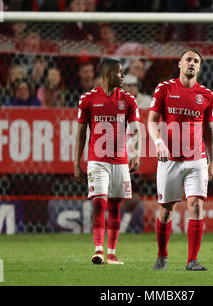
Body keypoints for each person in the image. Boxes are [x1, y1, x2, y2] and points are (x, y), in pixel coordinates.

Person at [147, 49, 213, 271]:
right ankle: (162, 256)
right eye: (188, 60)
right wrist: (158, 143)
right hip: (170, 159)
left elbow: (209, 129)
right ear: (179, 64)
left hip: (197, 159)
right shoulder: (165, 88)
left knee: (196, 206)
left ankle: (192, 260)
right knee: (167, 210)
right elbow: (151, 121)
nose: (192, 64)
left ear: (200, 67)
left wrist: (212, 160)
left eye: (196, 61)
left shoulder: (207, 95)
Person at [74, 58, 141, 265]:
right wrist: (77, 162)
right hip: (97, 161)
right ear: (106, 75)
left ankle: (112, 253)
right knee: (99, 203)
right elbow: (81, 133)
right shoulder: (88, 99)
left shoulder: (128, 100)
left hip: (120, 162)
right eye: (119, 73)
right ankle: (98, 250)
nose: (122, 76)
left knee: (114, 206)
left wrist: (136, 153)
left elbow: (137, 129)